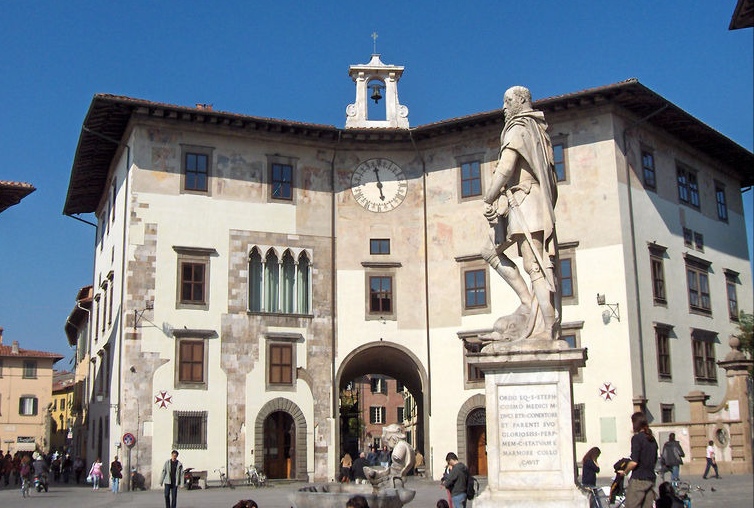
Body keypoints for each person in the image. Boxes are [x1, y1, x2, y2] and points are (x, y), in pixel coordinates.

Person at [481, 85, 559, 342]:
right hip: (521, 200)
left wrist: (489, 197)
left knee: (534, 266)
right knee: (490, 251)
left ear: (522, 100)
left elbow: (505, 169)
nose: (504, 108)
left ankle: (547, 328)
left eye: (507, 101)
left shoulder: (518, 128)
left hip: (527, 201)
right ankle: (528, 303)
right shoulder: (537, 130)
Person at [618, 412, 658, 508]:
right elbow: (655, 460)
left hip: (639, 479)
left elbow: (634, 462)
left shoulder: (637, 438)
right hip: (650, 478)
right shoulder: (652, 439)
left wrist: (625, 471)